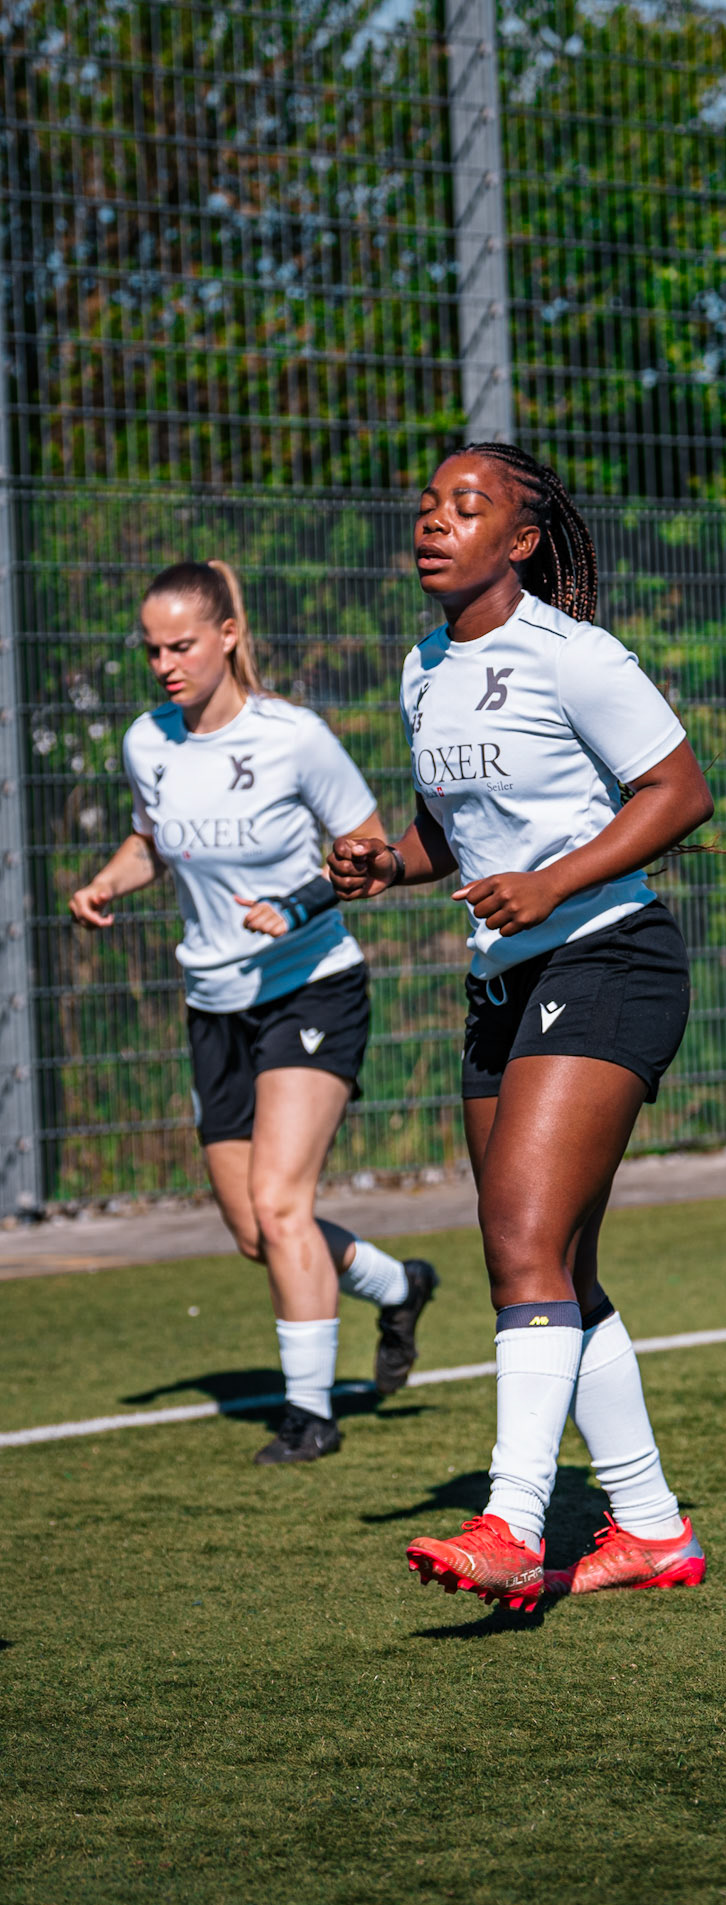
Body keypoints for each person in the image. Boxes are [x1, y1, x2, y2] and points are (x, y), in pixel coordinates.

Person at [329, 444, 714, 1608]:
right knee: (550, 1262)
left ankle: (513, 1521)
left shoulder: (574, 655)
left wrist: (553, 882)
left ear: (522, 539)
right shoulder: (423, 666)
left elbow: (680, 793)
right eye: (428, 504)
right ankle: (650, 1528)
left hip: (608, 956)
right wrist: (387, 863)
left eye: (467, 505)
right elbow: (452, 832)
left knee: (521, 1237)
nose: (434, 521)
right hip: (503, 977)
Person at [70, 559, 438, 1465]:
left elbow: (368, 850)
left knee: (280, 1205)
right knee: (254, 1233)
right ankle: (398, 1286)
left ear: (227, 634)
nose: (165, 665)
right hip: (213, 1001)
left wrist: (300, 904)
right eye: (152, 650)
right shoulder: (147, 741)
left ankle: (309, 1416)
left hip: (310, 988)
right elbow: (152, 841)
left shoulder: (293, 737)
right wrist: (107, 882)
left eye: (181, 646)